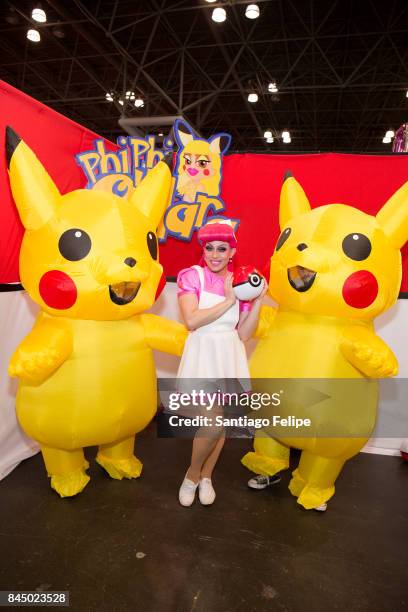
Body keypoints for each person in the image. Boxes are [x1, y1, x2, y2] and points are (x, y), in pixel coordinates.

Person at [176, 219, 267, 507]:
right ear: (203, 250)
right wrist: (230, 300)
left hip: (229, 355)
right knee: (212, 423)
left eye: (222, 249)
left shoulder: (240, 283)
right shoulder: (191, 276)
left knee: (221, 423)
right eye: (210, 248)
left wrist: (258, 301)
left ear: (232, 252)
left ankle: (207, 476)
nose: (215, 255)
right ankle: (191, 475)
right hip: (203, 355)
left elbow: (243, 333)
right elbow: (192, 320)